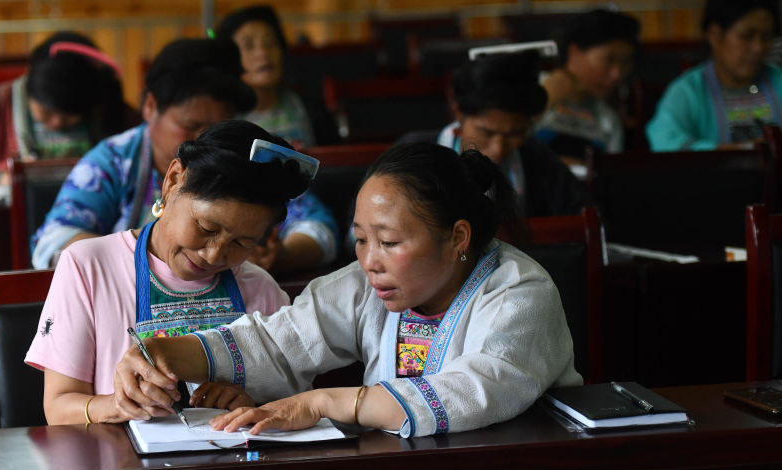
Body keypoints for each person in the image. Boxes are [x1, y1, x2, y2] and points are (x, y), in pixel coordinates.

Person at [112, 143, 582, 437]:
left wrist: (323, 402)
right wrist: (163, 353)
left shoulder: (520, 293)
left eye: (390, 242)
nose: (369, 260)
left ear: (458, 237)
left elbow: (476, 390)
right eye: (360, 239)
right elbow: (280, 340)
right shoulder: (366, 285)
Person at [26, 120, 315, 425]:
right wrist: (119, 404)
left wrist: (251, 403)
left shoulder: (260, 289)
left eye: (242, 243)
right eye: (207, 228)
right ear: (173, 180)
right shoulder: (88, 267)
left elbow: (295, 405)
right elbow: (58, 407)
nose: (214, 254)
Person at [31, 37, 339, 274]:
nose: (204, 139)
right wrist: (151, 258)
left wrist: (282, 256)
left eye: (217, 127)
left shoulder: (247, 155)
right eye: (190, 126)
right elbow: (55, 239)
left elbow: (318, 227)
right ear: (150, 107)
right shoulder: (113, 162)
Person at [0, 31, 135, 201]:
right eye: (47, 112)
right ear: (29, 92)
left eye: (69, 117)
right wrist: (4, 180)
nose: (57, 123)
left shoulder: (107, 106)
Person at [437, 51, 591, 217]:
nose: (499, 149)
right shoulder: (425, 161)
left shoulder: (535, 157)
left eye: (515, 133)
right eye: (487, 132)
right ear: (459, 113)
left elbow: (585, 215)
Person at [647, 0, 781, 151]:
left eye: (767, 37)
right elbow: (665, 144)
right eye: (746, 36)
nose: (758, 48)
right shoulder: (688, 92)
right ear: (715, 35)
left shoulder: (779, 81)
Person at [217, 4, 341, 148]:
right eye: (249, 46)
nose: (263, 52)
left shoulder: (311, 111)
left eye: (270, 43)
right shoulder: (221, 120)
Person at [535, 9, 639, 158]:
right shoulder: (528, 90)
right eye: (608, 60)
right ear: (574, 52)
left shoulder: (608, 121)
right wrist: (542, 102)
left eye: (626, 62)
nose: (617, 74)